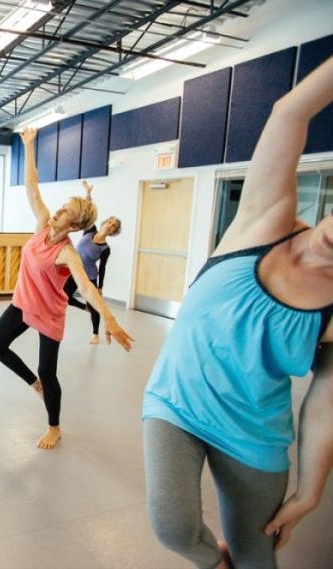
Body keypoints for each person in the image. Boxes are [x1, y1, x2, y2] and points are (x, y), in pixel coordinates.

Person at [142, 56, 333, 568]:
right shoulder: (265, 219)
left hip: (254, 434)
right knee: (174, 528)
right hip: (175, 402)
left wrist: (309, 492)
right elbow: (290, 112)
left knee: (257, 555)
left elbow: (325, 403)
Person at [0, 127, 133, 450]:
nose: (58, 210)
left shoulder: (67, 252)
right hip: (23, 303)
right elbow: (32, 185)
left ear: (75, 225)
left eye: (65, 210)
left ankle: (54, 426)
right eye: (62, 206)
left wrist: (109, 319)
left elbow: (86, 287)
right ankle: (34, 383)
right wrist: (29, 146)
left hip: (49, 313)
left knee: (48, 371)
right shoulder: (42, 224)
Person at [62, 180, 121, 345]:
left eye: (114, 226)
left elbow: (102, 268)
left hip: (89, 276)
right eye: (110, 222)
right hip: (74, 270)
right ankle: (84, 307)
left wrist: (100, 286)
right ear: (104, 222)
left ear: (113, 232)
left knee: (95, 305)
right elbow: (88, 211)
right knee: (64, 297)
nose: (110, 225)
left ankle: (95, 334)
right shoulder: (89, 231)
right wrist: (88, 193)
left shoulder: (105, 248)